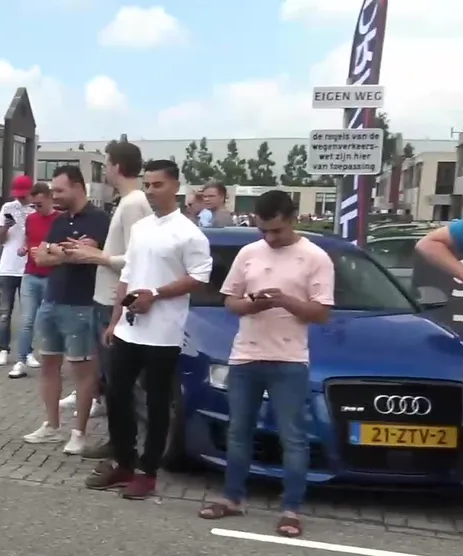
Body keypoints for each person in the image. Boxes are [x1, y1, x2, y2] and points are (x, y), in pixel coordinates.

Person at [200, 190, 332, 536]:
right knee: (238, 431)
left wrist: (285, 300)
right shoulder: (249, 253)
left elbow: (321, 313)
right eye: (263, 231)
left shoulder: (315, 257)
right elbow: (230, 301)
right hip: (246, 355)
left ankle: (291, 509)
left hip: (289, 359)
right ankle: (233, 498)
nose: (270, 238)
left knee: (293, 436)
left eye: (277, 231)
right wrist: (252, 305)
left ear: (292, 220)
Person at [86, 160, 212, 499]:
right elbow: (127, 275)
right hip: (129, 329)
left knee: (156, 402)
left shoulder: (189, 233)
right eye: (148, 185)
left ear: (176, 186)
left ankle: (148, 471)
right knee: (116, 394)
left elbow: (199, 277)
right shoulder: (141, 228)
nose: (152, 191)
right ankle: (123, 462)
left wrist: (155, 294)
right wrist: (115, 319)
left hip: (163, 333)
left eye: (158, 185)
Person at [59, 141, 153, 458]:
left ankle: (127, 444)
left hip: (114, 300)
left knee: (121, 380)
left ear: (116, 166)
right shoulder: (128, 202)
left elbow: (138, 259)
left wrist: (96, 256)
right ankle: (122, 440)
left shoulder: (133, 204)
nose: (106, 170)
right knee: (113, 378)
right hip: (106, 299)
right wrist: (94, 251)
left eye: (107, 164)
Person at [25, 166, 111, 456]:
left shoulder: (99, 219)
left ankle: (79, 433)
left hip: (82, 304)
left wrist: (59, 252)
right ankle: (51, 425)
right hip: (51, 300)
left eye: (60, 190)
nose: (55, 196)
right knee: (49, 365)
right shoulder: (60, 221)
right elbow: (40, 257)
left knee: (82, 372)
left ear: (77, 187)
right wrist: (65, 253)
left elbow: (85, 255)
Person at [15, 183, 59, 379]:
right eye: (33, 205)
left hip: (51, 276)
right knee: (27, 320)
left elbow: (63, 246)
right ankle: (21, 360)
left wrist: (46, 250)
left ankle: (52, 362)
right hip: (30, 274)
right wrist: (24, 248)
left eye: (39, 204)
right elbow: (28, 238)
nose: (36, 208)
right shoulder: (31, 219)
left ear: (50, 198)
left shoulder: (59, 219)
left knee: (47, 321)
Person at [0, 176, 35, 376]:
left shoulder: (36, 209)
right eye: (17, 195)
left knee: (28, 315)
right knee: (5, 313)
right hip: (8, 267)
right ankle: (3, 349)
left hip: (28, 267)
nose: (20, 198)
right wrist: (5, 226)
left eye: (23, 195)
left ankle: (28, 352)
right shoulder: (8, 207)